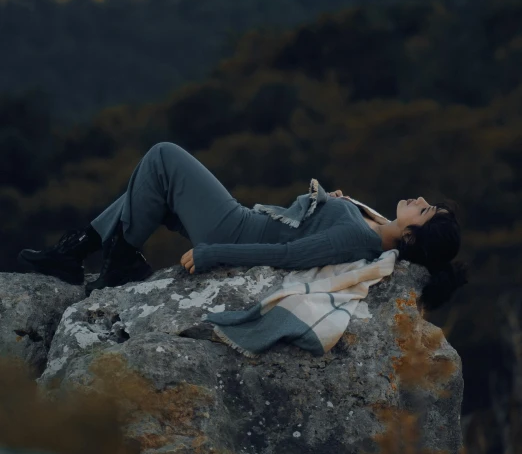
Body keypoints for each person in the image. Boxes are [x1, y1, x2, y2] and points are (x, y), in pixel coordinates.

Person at [17, 141, 467, 308]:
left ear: (411, 235)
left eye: (425, 211)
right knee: (150, 186)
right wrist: (333, 202)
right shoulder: (371, 224)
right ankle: (75, 253)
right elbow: (314, 226)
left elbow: (290, 257)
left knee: (163, 157)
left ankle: (114, 261)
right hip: (242, 221)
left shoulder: (358, 239)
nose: (420, 200)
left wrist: (215, 253)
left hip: (233, 230)